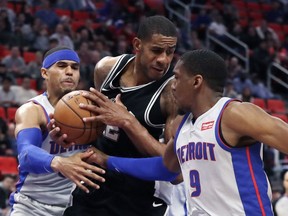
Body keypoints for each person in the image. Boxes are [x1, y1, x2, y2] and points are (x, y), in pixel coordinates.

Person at [85, 49, 288, 215]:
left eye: (177, 78)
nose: (172, 86)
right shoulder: (184, 126)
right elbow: (166, 169)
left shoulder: (233, 113)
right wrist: (107, 161)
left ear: (196, 82)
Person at [51, 15, 184, 216]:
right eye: (156, 50)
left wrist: (128, 121)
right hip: (93, 185)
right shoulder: (106, 69)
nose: (163, 59)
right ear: (138, 45)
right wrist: (70, 135)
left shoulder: (172, 93)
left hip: (139, 196)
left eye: (170, 52)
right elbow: (96, 126)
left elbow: (175, 170)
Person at [9, 46, 105, 216]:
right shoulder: (33, 110)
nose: (69, 72)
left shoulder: (89, 108)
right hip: (31, 206)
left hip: (73, 206)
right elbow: (26, 154)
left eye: (74, 68)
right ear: (45, 73)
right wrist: (60, 163)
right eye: (61, 66)